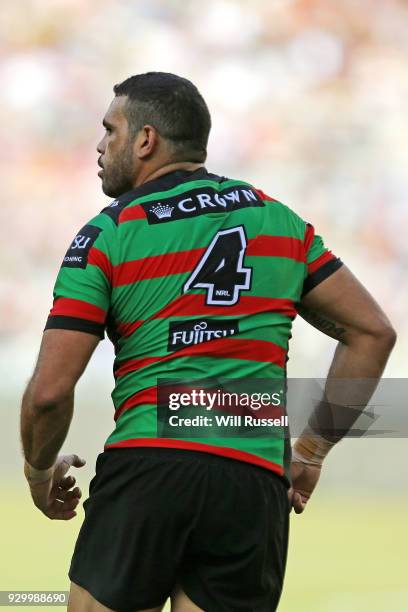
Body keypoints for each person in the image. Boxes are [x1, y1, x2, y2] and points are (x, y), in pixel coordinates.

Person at [20, 72, 396, 612]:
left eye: (110, 130)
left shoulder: (110, 232)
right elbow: (373, 332)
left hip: (150, 465)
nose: (100, 145)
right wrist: (312, 450)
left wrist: (38, 472)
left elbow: (50, 392)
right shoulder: (279, 220)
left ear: (145, 140)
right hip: (252, 483)